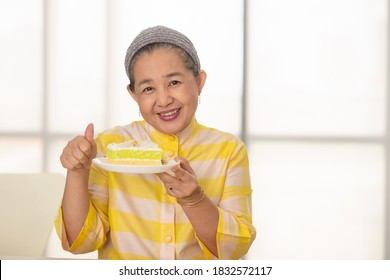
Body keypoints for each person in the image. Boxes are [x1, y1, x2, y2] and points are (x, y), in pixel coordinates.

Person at [55, 25, 256, 260]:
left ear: (199, 81)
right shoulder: (109, 147)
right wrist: (78, 171)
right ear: (133, 94)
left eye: (174, 83)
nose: (164, 100)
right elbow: (82, 243)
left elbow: (235, 250)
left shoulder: (229, 150)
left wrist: (195, 200)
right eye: (148, 88)